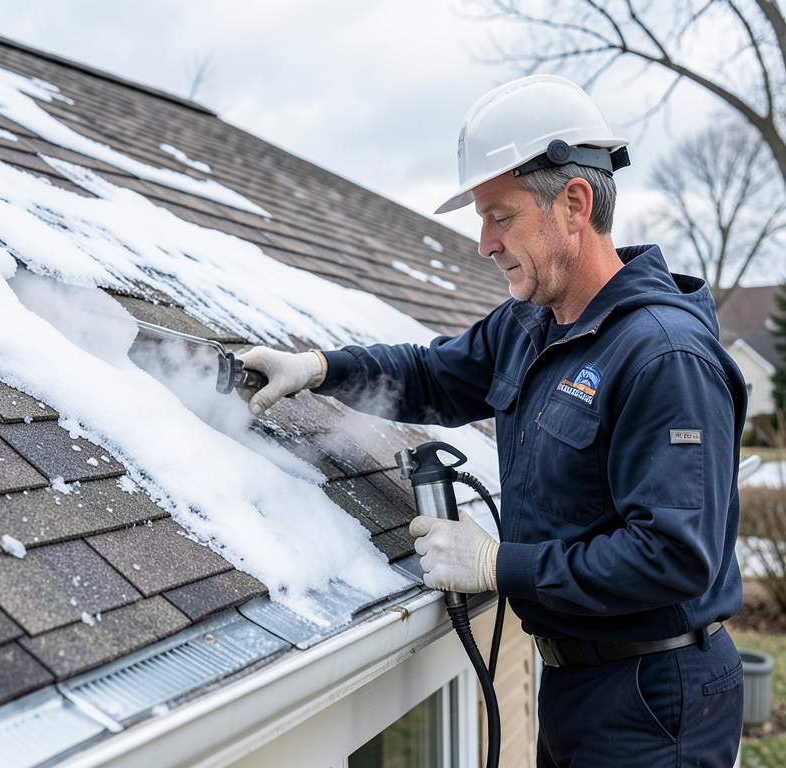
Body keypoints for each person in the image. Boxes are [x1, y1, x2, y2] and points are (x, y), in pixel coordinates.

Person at [239, 75, 747, 767]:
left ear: (574, 203)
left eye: (500, 217)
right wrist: (320, 368)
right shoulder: (532, 327)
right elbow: (430, 374)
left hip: (657, 698)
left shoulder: (663, 356)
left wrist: (498, 564)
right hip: (578, 686)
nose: (483, 243)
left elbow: (672, 557)